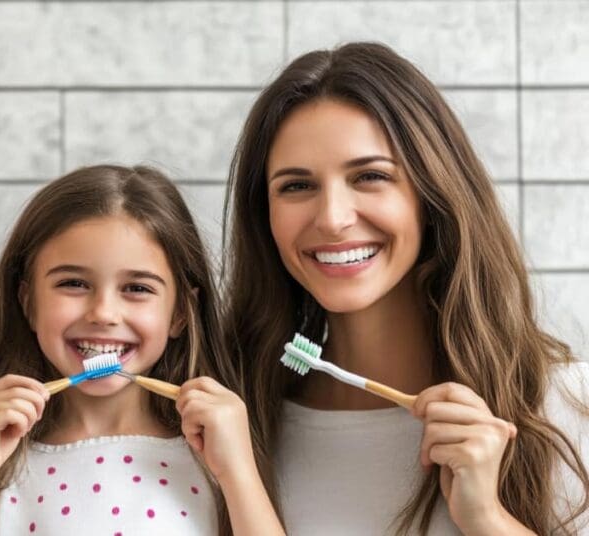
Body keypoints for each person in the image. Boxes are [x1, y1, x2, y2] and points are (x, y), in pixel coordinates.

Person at [223, 42, 589, 535]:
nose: (332, 219)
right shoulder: (237, 429)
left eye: (370, 176)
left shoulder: (566, 407)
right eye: (296, 186)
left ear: (432, 192)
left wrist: (487, 519)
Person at [0, 165, 283, 535]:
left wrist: (239, 473)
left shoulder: (214, 454)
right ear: (28, 302)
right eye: (73, 283)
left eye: (137, 288)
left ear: (180, 313)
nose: (103, 313)